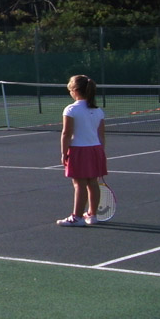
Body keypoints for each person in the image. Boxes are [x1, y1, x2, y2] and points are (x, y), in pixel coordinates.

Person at [57, 75, 107, 227]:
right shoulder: (98, 111)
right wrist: (100, 152)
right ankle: (92, 215)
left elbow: (66, 134)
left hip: (79, 151)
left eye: (70, 90)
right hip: (96, 150)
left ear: (75, 91)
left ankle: (77, 217)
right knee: (93, 183)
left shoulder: (71, 109)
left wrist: (64, 153)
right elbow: (101, 135)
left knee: (79, 184)